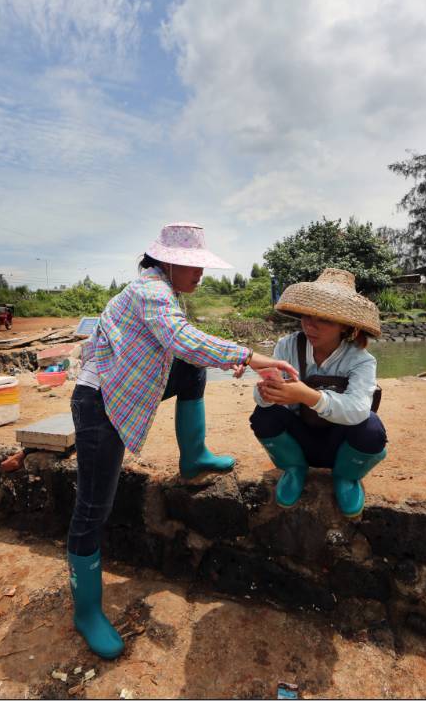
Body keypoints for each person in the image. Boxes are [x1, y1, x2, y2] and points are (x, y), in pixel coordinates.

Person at [67, 222, 298, 660]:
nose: (201, 275)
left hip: (123, 383)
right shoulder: (150, 291)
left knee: (191, 369)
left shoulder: (163, 292)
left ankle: (193, 457)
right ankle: (87, 611)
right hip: (100, 401)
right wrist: (250, 357)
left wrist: (225, 357)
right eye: (194, 266)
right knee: (93, 508)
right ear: (168, 262)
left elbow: (183, 350)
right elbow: (180, 338)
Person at [250, 268, 387, 518]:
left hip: (340, 444)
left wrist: (306, 395)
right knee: (262, 415)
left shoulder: (361, 361)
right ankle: (294, 468)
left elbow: (357, 410)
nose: (311, 326)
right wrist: (266, 392)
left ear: (346, 327)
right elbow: (264, 399)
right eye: (307, 316)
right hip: (301, 439)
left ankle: (346, 477)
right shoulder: (287, 345)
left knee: (372, 429)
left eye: (324, 319)